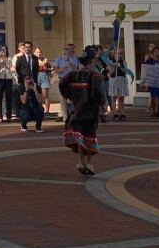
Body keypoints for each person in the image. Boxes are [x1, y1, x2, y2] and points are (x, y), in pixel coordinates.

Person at [60, 47, 107, 176]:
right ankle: (89, 163)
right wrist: (103, 104)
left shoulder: (72, 75)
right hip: (91, 110)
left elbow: (62, 84)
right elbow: (99, 93)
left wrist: (69, 96)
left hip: (77, 109)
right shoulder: (95, 75)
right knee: (90, 135)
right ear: (92, 61)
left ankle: (81, 162)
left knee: (80, 136)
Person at [53, 44, 78, 123]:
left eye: (68, 49)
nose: (66, 50)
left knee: (72, 99)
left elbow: (75, 69)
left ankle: (73, 115)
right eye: (65, 49)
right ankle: (65, 117)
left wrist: (68, 61)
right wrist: (63, 68)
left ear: (71, 50)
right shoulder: (59, 59)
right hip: (62, 79)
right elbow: (56, 70)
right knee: (62, 99)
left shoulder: (74, 59)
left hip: (71, 79)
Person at [145, 46, 159, 117]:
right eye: (155, 51)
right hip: (152, 82)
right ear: (152, 53)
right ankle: (154, 110)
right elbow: (145, 72)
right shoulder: (148, 62)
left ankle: (158, 111)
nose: (156, 53)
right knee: (153, 96)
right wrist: (145, 83)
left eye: (158, 51)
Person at [107, 49, 130, 121]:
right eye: (117, 53)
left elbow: (125, 71)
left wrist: (120, 67)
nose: (119, 55)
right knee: (114, 97)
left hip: (121, 80)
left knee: (121, 98)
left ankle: (122, 113)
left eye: (120, 53)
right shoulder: (111, 62)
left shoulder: (124, 62)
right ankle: (115, 114)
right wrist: (114, 66)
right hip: (114, 80)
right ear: (114, 54)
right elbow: (110, 73)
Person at [0, 45, 12, 122]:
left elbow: (10, 67)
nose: (4, 51)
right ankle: (0, 115)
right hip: (0, 79)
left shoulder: (9, 58)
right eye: (2, 49)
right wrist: (0, 59)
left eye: (5, 49)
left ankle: (8, 115)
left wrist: (5, 61)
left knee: (8, 97)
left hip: (8, 79)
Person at [33, 46, 54, 117]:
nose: (38, 53)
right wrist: (42, 67)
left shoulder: (45, 60)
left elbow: (51, 67)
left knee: (45, 95)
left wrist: (47, 67)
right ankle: (38, 110)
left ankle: (47, 111)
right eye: (37, 52)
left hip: (44, 77)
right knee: (37, 95)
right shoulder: (32, 60)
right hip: (36, 77)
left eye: (39, 52)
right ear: (34, 53)